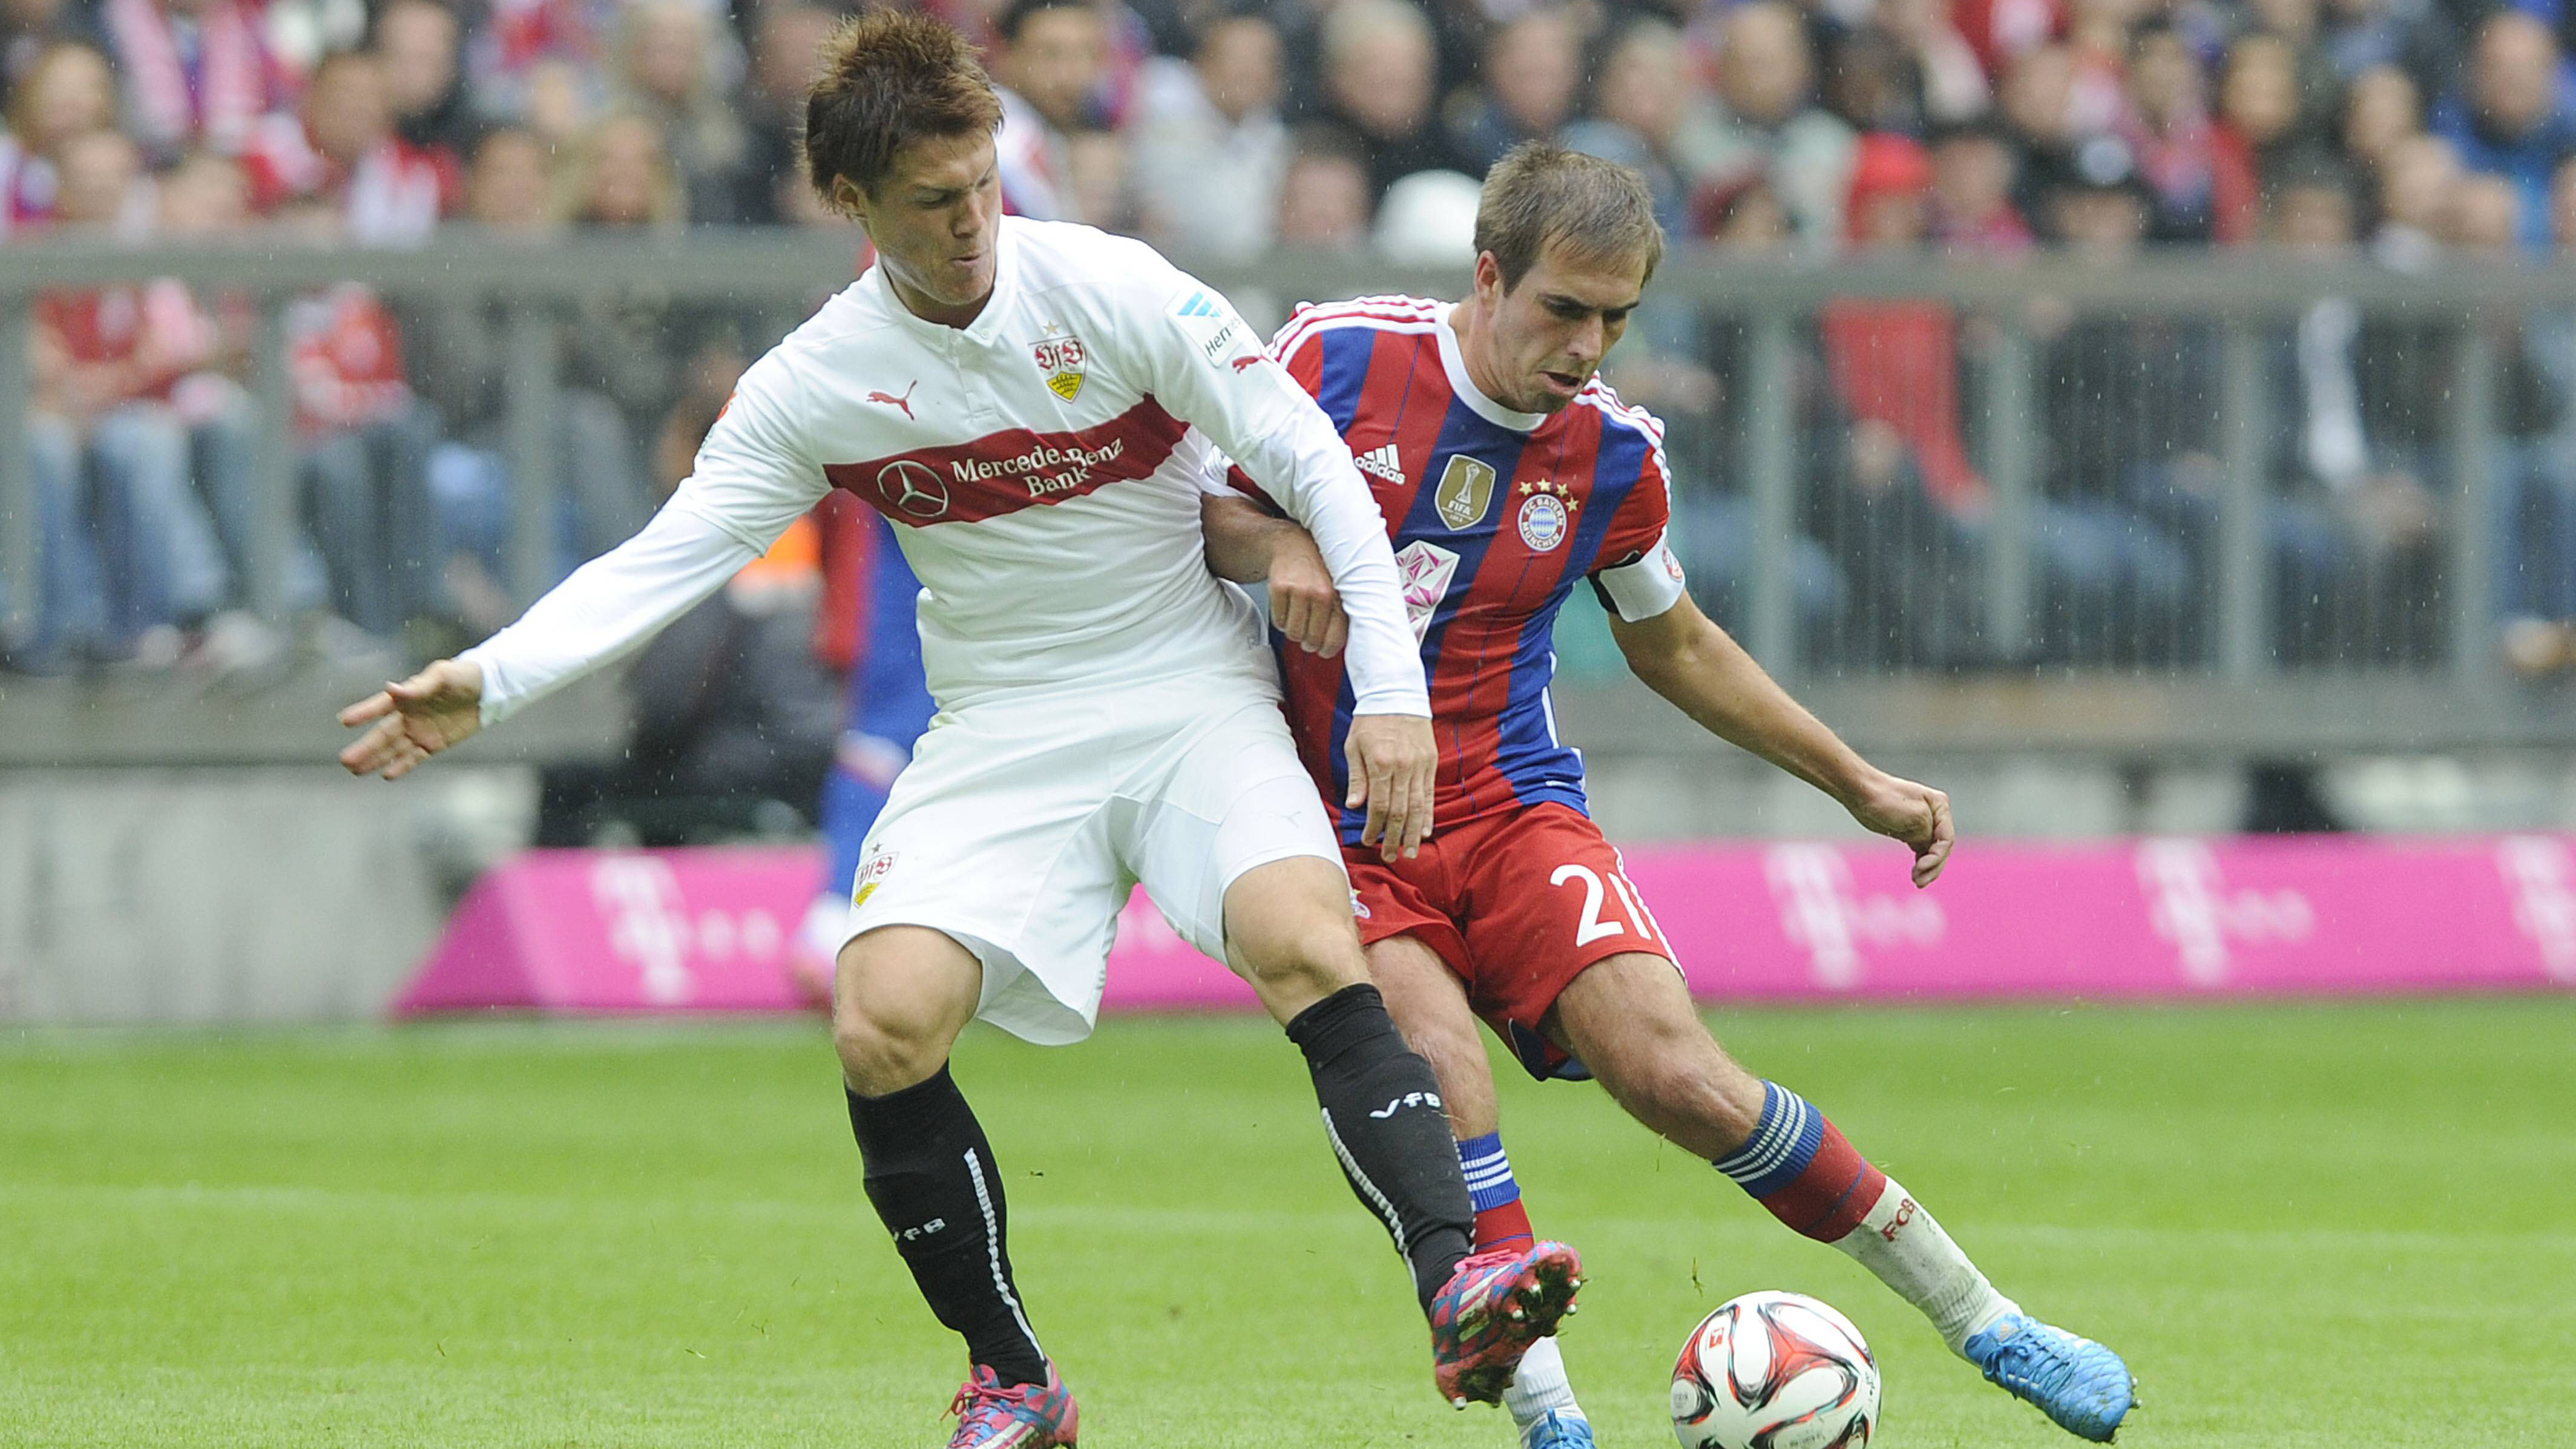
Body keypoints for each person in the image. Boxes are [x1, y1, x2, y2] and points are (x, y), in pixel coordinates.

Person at [335, 14, 1579, 1447]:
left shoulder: (1108, 285)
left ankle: (1457, 1283)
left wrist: (1390, 696)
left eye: (985, 182)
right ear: (852, 207)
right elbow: (662, 559)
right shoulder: (817, 382)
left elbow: (1310, 458)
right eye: (935, 202)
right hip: (1001, 728)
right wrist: (483, 684)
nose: (977, 221)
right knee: (881, 1021)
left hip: (1190, 693)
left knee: (1306, 939)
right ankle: (1012, 1376)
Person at [1200, 142, 2138, 1449]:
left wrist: (1854, 782)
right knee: (1439, 1067)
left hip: (1510, 806)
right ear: (1486, 277)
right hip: (1323, 822)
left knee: (1681, 1077)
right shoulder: (1334, 358)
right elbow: (1200, 516)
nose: (1588, 348)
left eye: (1617, 318)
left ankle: (1990, 1322)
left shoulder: (1612, 458)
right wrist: (1286, 538)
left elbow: (1677, 644)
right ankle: (1551, 1421)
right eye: (1563, 311)